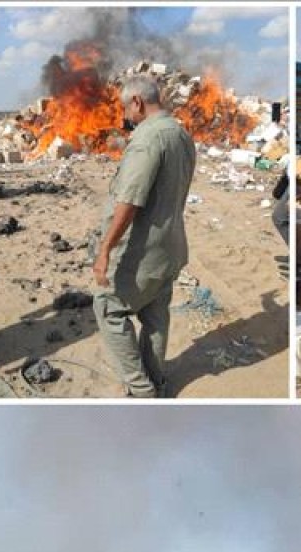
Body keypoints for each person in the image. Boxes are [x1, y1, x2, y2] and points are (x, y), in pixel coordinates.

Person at [91, 75, 196, 399]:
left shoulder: (148, 138)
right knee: (154, 314)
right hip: (171, 246)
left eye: (126, 108)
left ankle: (141, 390)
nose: (125, 115)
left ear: (137, 101)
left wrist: (105, 249)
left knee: (108, 308)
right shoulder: (181, 133)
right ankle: (156, 379)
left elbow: (131, 200)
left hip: (143, 250)